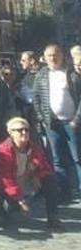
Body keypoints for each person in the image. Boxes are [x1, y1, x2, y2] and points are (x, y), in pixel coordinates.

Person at [0, 117, 63, 231]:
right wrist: (20, 200)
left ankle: (53, 217)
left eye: (26, 130)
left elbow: (45, 168)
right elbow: (5, 180)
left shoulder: (34, 148)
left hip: (27, 183)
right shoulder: (3, 150)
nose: (24, 132)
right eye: (19, 130)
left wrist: (38, 174)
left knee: (50, 180)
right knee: (5, 204)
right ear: (11, 133)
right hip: (7, 189)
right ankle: (2, 214)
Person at [32, 44, 81, 198]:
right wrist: (42, 118)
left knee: (77, 157)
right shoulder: (41, 75)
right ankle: (65, 191)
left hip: (72, 122)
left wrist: (76, 120)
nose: (52, 58)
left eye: (55, 55)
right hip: (52, 124)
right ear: (44, 58)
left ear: (62, 55)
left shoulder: (72, 73)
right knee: (57, 159)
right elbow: (36, 98)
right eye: (49, 56)